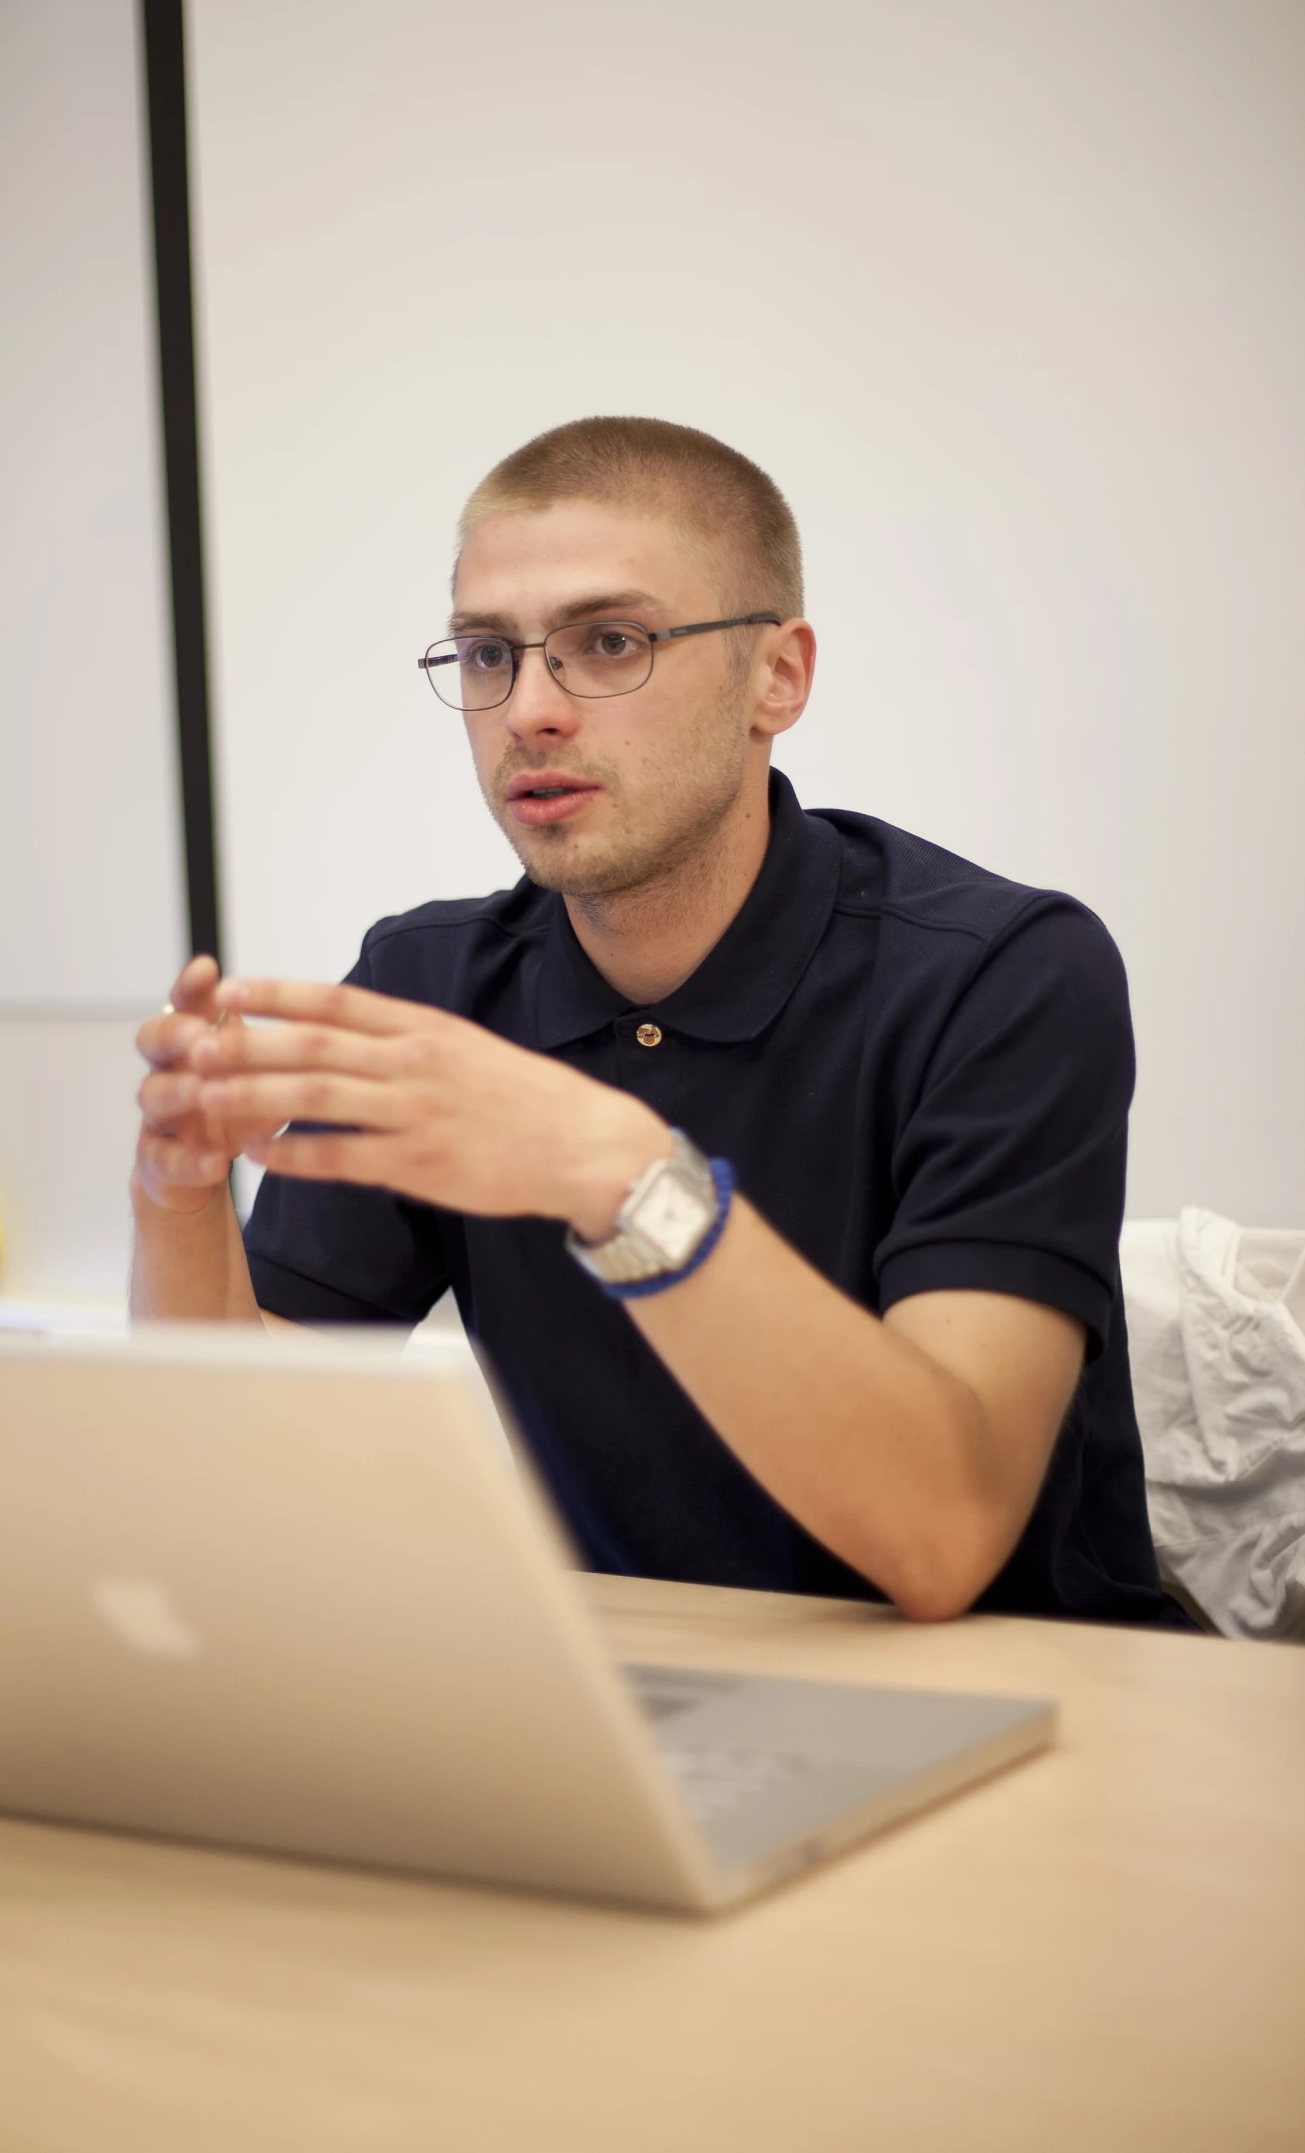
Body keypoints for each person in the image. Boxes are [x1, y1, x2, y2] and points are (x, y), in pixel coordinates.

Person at [131, 416, 1180, 1627]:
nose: (528, 709)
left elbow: (941, 1537)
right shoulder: (429, 977)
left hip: (1036, 1709)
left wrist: (622, 1174)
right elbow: (241, 1455)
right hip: (647, 1693)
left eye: (608, 642)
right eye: (485, 654)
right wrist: (179, 1195)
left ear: (775, 676)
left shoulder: (1002, 975)